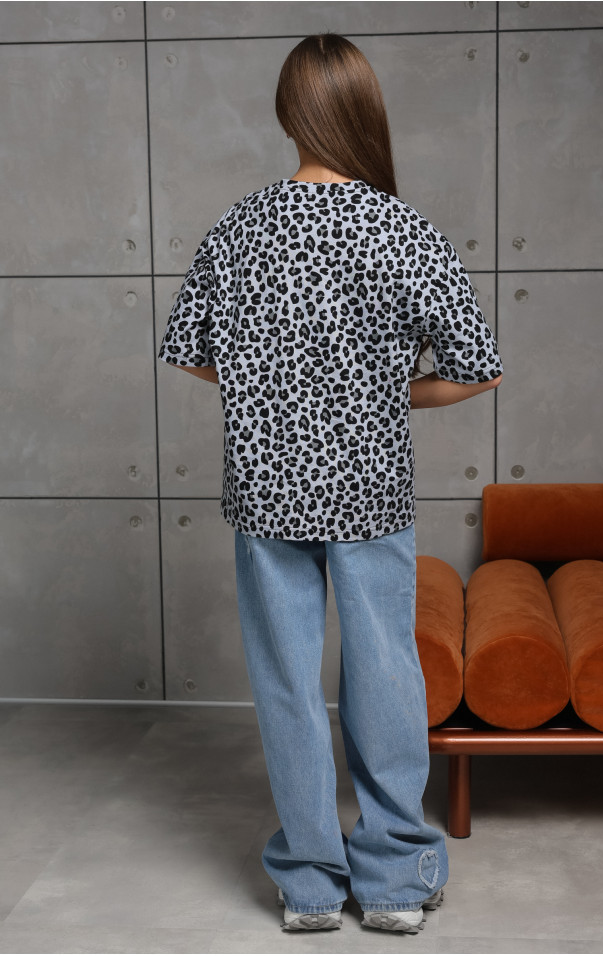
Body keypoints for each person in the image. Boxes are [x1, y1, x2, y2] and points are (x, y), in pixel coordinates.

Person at [157, 32, 503, 934]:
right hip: (370, 489)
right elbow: (477, 369)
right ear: (362, 111)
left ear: (288, 114)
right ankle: (393, 880)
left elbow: (190, 352)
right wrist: (380, 391)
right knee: (385, 671)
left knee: (285, 680)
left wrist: (272, 386)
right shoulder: (402, 229)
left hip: (266, 486)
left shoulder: (239, 227)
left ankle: (310, 884)